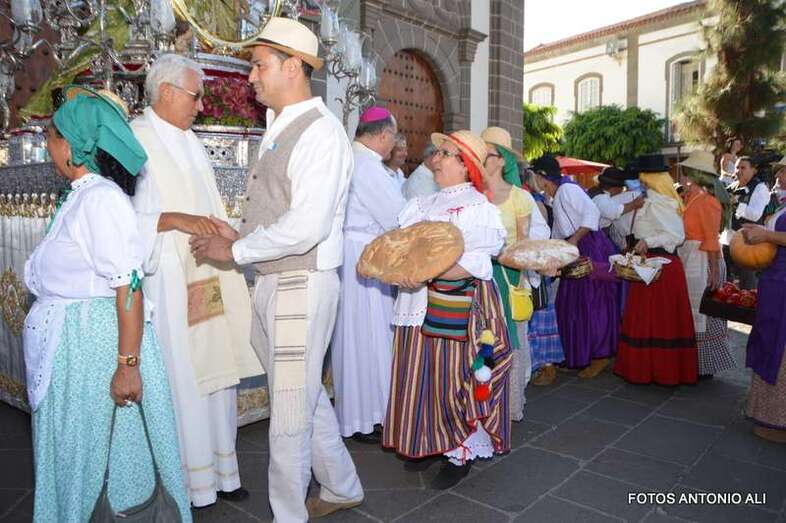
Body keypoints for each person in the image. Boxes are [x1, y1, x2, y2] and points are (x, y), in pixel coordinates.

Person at [189, 17, 363, 521]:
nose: (250, 77)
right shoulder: (281, 124)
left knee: (287, 413)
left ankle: (288, 514)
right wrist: (238, 238)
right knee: (303, 397)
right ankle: (342, 486)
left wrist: (237, 251)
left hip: (300, 284)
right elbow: (281, 211)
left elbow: (307, 226)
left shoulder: (322, 133)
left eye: (259, 65)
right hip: (276, 279)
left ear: (293, 67)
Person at [23, 85, 191, 521]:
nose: (49, 145)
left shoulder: (100, 199)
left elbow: (128, 285)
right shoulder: (82, 195)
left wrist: (128, 364)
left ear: (73, 146)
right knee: (77, 455)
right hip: (76, 349)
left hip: (93, 351)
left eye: (53, 137)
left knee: (98, 460)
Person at [130, 54, 263, 507]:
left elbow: (211, 206)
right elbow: (121, 217)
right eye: (195, 96)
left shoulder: (190, 141)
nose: (202, 106)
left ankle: (221, 473)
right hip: (168, 275)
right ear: (166, 92)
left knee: (216, 369)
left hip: (206, 270)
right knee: (184, 373)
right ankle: (189, 480)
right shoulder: (135, 139)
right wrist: (173, 219)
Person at [382, 130, 510, 490]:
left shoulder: (478, 208)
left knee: (452, 379)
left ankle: (459, 451)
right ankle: (426, 440)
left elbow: (473, 262)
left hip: (457, 305)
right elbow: (401, 248)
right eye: (438, 153)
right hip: (417, 301)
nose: (435, 159)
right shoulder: (422, 204)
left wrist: (423, 272)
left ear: (465, 165)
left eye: (445, 154)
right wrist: (400, 268)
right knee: (418, 373)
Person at [331, 106, 406, 442]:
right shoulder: (368, 166)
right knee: (369, 337)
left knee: (355, 337)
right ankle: (369, 417)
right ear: (384, 135)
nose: (394, 144)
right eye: (393, 137)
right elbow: (396, 217)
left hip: (353, 253)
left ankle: (361, 413)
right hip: (366, 256)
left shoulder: (349, 157)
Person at [533, 154, 620, 379]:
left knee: (591, 303)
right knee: (571, 305)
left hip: (588, 246)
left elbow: (593, 213)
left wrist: (574, 240)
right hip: (575, 249)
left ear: (542, 177)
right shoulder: (557, 194)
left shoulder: (568, 190)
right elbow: (559, 230)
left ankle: (600, 355)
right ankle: (579, 355)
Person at [613, 156, 698, 385]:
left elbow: (677, 236)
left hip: (661, 267)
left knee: (659, 319)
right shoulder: (651, 199)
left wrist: (647, 241)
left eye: (641, 176)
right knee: (648, 318)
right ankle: (647, 369)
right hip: (649, 267)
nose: (638, 180)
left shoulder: (660, 202)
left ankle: (660, 371)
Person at [677, 151, 736, 378]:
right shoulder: (690, 198)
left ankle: (704, 366)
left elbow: (711, 237)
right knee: (695, 312)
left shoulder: (708, 201)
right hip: (692, 257)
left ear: (695, 174)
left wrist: (713, 270)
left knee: (705, 313)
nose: (682, 176)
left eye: (686, 172)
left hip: (703, 260)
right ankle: (693, 364)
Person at [742, 192, 786, 443]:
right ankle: (768, 415)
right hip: (776, 281)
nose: (780, 175)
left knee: (780, 346)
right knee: (770, 341)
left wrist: (767, 235)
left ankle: (780, 421)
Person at [520, 168, 564, 386]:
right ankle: (542, 366)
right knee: (538, 320)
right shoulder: (536, 200)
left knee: (538, 320)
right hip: (536, 267)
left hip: (536, 268)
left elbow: (539, 240)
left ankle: (545, 366)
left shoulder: (532, 202)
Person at [724, 156, 771, 289]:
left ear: (754, 170)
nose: (738, 171)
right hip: (728, 240)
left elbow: (755, 215)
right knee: (728, 284)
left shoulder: (760, 188)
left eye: (743, 168)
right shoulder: (732, 187)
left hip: (750, 243)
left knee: (748, 284)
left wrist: (736, 204)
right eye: (737, 167)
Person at [590, 166, 645, 251]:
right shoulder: (601, 198)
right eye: (622, 188)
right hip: (594, 238)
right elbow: (615, 212)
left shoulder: (598, 194)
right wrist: (634, 204)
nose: (622, 191)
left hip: (598, 236)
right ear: (615, 188)